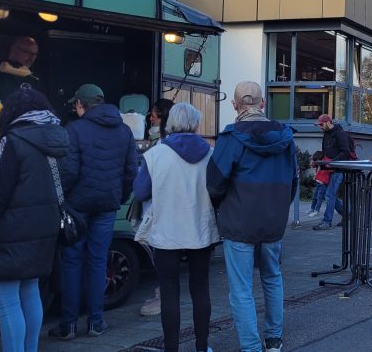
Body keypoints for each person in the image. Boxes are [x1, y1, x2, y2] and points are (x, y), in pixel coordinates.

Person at [0, 88, 63, 352]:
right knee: (30, 293)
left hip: (9, 231)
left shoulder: (12, 140)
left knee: (6, 304)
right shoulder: (56, 137)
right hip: (43, 231)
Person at [207, 81, 296, 352]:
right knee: (272, 277)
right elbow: (293, 181)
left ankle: (250, 347)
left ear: (235, 105)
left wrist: (221, 207)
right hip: (273, 221)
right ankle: (274, 339)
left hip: (238, 221)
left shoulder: (231, 138)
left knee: (242, 288)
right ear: (263, 103)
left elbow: (214, 183)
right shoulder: (286, 137)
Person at [50, 84, 138, 340]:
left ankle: (68, 325)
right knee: (99, 262)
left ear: (81, 105)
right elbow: (131, 170)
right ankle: (96, 322)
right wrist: (118, 197)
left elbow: (68, 171)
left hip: (77, 206)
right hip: (106, 206)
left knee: (73, 262)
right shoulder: (124, 131)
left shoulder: (74, 130)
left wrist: (64, 199)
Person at [133, 103, 218, 352]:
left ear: (168, 124)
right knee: (200, 288)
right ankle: (202, 347)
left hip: (166, 231)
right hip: (201, 231)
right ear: (195, 124)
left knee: (169, 292)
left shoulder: (156, 154)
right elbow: (218, 190)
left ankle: (171, 348)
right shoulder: (210, 154)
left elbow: (140, 192)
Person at [137, 97, 174, 317]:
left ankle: (162, 298)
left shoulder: (159, 147)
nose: (150, 118)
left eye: (153, 115)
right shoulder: (166, 143)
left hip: (156, 211)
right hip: (170, 212)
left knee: (161, 258)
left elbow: (142, 189)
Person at [0, 37, 41, 107]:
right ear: (14, 49)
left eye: (34, 54)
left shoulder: (34, 78)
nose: (31, 58)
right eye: (26, 52)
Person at [313, 114, 352, 230]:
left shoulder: (340, 133)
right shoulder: (326, 133)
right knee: (329, 195)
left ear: (328, 122)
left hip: (337, 168)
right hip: (328, 167)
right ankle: (347, 214)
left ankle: (327, 221)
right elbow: (326, 151)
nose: (320, 126)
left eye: (321, 124)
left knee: (329, 194)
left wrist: (333, 162)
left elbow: (346, 151)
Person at [307, 151, 329, 217]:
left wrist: (321, 162)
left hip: (323, 183)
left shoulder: (325, 164)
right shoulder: (318, 164)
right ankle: (312, 209)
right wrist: (314, 161)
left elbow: (329, 171)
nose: (316, 162)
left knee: (319, 197)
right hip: (318, 182)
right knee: (314, 196)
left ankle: (317, 211)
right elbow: (313, 165)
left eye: (317, 160)